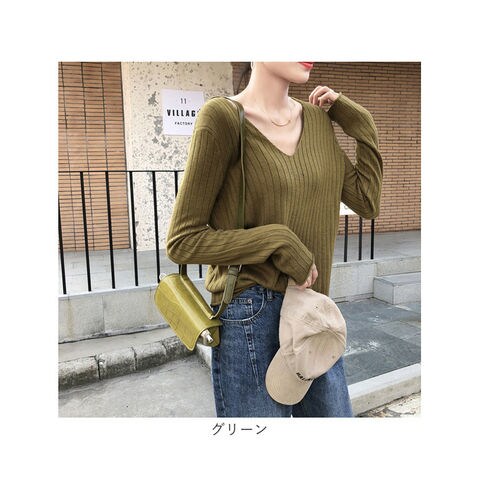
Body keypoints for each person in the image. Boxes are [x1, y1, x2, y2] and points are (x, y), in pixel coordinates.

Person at [166, 62, 383, 417]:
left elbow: (367, 201)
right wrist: (278, 241)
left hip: (314, 313)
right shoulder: (223, 118)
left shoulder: (318, 122)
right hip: (252, 311)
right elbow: (183, 240)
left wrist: (360, 122)